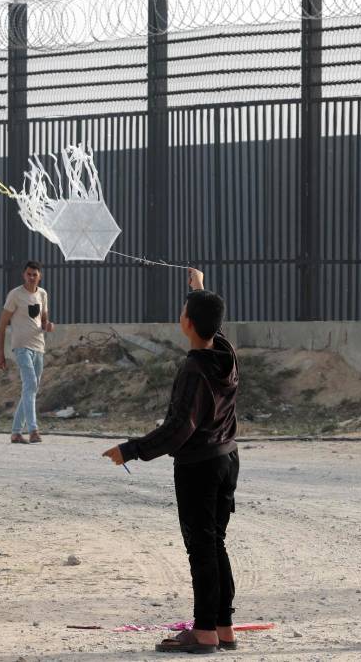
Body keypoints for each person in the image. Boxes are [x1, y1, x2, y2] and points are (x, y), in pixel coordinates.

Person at [103, 268, 240, 654]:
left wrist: (131, 449)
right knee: (216, 543)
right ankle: (224, 627)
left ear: (188, 323)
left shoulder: (193, 370)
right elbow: (214, 324)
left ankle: (205, 632)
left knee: (201, 547)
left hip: (200, 467)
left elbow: (179, 428)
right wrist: (199, 288)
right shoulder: (225, 354)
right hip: (228, 459)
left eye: (184, 310)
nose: (180, 314)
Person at [0, 260, 54, 444]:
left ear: (40, 276)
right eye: (28, 274)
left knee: (31, 389)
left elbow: (43, 319)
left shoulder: (43, 294)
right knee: (30, 385)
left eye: (34, 275)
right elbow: (2, 324)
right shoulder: (15, 295)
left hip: (39, 347)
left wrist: (48, 326)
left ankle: (15, 432)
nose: (31, 277)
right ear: (24, 275)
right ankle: (33, 430)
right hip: (21, 346)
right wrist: (0, 353)